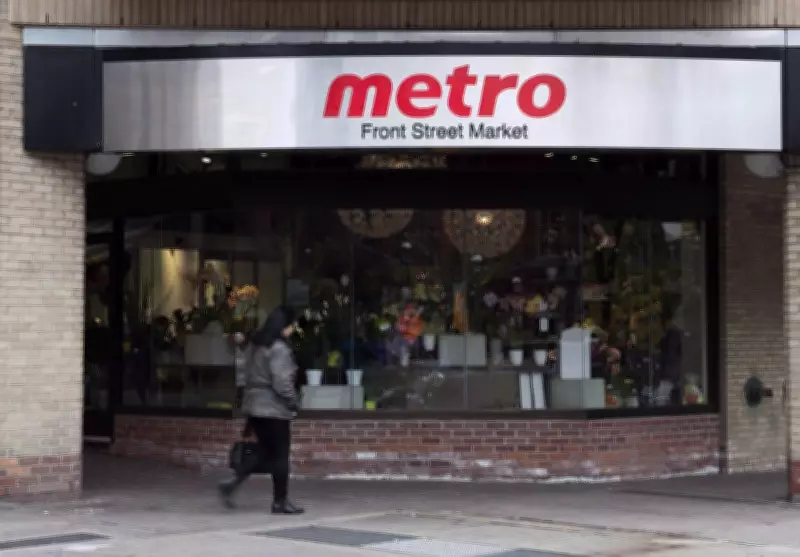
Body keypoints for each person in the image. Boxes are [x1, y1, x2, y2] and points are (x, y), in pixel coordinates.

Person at [218, 306, 304, 514]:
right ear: (283, 326)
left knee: (264, 451)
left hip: (254, 404)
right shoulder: (279, 349)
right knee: (280, 455)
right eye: (291, 326)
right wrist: (293, 402)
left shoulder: (255, 346)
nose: (292, 330)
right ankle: (280, 501)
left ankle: (234, 482)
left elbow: (244, 374)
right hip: (273, 407)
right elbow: (282, 382)